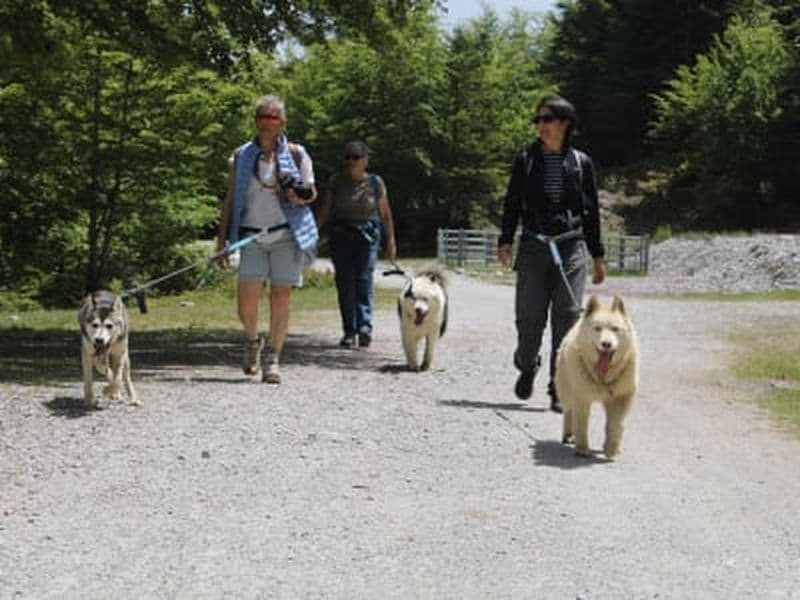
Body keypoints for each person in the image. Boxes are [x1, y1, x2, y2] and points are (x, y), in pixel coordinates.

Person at [497, 95, 606, 412]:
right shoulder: (526, 160)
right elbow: (512, 202)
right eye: (538, 120)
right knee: (529, 319)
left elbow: (591, 212)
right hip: (534, 245)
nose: (540, 126)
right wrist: (506, 240)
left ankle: (560, 386)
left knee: (568, 317)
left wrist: (597, 256)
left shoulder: (581, 164)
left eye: (546, 119)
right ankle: (527, 363)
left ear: (564, 124)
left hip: (571, 247)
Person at [216, 94, 318, 384]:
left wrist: (296, 193)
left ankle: (273, 357)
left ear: (282, 122)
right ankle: (251, 341)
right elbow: (230, 199)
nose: (264, 122)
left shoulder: (298, 155)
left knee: (281, 296)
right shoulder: (241, 155)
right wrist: (222, 239)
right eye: (260, 116)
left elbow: (312, 193)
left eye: (271, 117)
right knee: (246, 300)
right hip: (250, 235)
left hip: (286, 233)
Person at [316, 141, 397, 348]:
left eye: (356, 157)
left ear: (365, 160)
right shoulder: (336, 182)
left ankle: (365, 326)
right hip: (342, 236)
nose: (351, 161)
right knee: (345, 284)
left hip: (367, 237)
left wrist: (391, 241)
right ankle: (349, 331)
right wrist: (313, 232)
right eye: (348, 157)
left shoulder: (375, 183)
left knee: (364, 279)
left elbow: (385, 214)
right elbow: (325, 210)